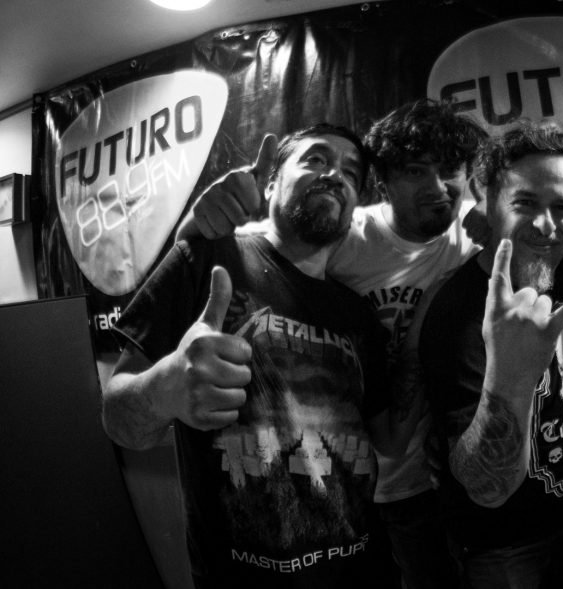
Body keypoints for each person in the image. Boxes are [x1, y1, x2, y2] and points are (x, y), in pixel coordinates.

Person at [177, 99, 487, 588]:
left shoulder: (476, 236)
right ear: (383, 183)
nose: (437, 186)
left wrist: (499, 212)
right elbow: (233, 250)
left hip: (429, 475)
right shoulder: (346, 233)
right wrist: (197, 222)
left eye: (450, 170)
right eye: (415, 171)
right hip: (342, 481)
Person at [102, 124, 415, 587]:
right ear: (271, 182)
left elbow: (389, 439)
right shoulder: (206, 260)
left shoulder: (359, 316)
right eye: (315, 159)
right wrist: (163, 391)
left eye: (351, 173)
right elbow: (116, 418)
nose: (335, 174)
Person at [415, 123, 563, 588]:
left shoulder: (559, 273)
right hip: (505, 554)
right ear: (488, 206)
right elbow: (484, 487)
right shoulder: (461, 313)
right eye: (525, 203)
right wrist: (511, 376)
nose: (546, 224)